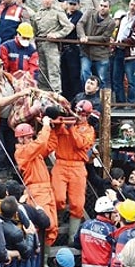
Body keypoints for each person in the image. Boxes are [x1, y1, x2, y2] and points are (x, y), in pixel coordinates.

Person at [49, 100, 95, 244]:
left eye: (84, 114)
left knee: (78, 203)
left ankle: (71, 237)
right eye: (79, 113)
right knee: (58, 198)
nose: (81, 117)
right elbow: (53, 131)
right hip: (61, 163)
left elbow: (80, 143)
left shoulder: (89, 130)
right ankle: (55, 225)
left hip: (77, 167)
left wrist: (71, 128)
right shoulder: (63, 123)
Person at [14, 118, 58, 247]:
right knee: (44, 223)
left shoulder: (32, 150)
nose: (31, 139)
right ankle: (37, 255)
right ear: (20, 139)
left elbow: (49, 145)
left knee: (53, 227)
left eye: (31, 137)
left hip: (46, 190)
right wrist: (45, 126)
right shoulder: (22, 152)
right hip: (36, 191)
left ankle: (44, 260)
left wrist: (55, 129)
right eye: (28, 137)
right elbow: (41, 143)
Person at [31, 0, 74, 92]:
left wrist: (57, 35)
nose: (47, 1)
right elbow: (35, 29)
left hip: (51, 45)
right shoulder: (38, 13)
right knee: (42, 73)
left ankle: (56, 96)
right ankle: (44, 96)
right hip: (40, 44)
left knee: (53, 71)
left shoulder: (57, 12)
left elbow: (69, 26)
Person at [112, 0, 135, 103]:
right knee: (117, 78)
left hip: (130, 53)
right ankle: (120, 102)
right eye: (131, 4)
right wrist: (115, 43)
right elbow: (118, 32)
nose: (133, 7)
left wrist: (121, 42)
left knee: (131, 80)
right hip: (119, 50)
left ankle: (132, 103)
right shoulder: (123, 18)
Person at [77, 0, 116, 88]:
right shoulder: (89, 13)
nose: (102, 8)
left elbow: (105, 38)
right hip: (86, 51)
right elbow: (80, 24)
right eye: (101, 5)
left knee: (102, 79)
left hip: (101, 54)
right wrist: (82, 35)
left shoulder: (111, 22)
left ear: (110, 8)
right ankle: (88, 95)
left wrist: (88, 38)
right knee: (84, 73)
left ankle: (101, 100)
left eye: (105, 6)